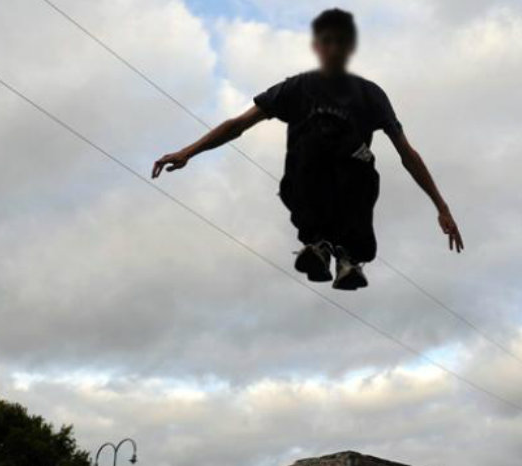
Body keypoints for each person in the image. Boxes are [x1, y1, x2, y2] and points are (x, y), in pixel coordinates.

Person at [153, 8, 463, 290]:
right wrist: (187, 152)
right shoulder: (297, 88)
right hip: (306, 178)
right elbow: (238, 125)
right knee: (315, 137)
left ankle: (347, 258)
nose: (333, 50)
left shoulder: (370, 95)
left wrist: (441, 205)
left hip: (353, 179)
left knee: (357, 161)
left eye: (340, 43)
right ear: (318, 48)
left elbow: (406, 153)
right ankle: (320, 245)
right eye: (327, 43)